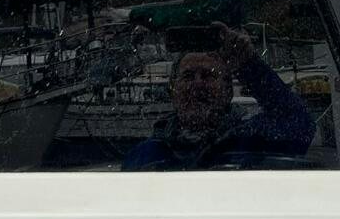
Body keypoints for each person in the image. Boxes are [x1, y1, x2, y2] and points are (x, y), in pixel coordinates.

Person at [122, 22, 315, 171]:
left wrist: (248, 64)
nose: (197, 84)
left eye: (209, 75)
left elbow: (301, 122)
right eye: (188, 76)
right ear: (173, 90)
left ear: (228, 91)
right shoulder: (143, 154)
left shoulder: (254, 138)